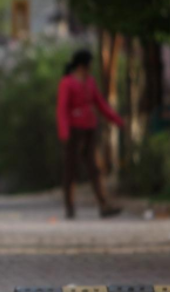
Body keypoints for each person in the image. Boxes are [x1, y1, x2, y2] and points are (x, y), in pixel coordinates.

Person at [56, 49, 124, 219]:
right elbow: (62, 109)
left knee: (95, 168)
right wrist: (64, 131)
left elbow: (101, 104)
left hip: (89, 129)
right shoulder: (67, 83)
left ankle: (104, 204)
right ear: (81, 65)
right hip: (73, 131)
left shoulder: (90, 82)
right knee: (71, 169)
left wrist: (116, 120)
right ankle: (69, 207)